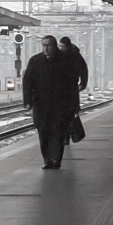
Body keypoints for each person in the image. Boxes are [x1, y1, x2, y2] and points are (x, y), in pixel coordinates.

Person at [22, 35, 78, 168]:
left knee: (58, 132)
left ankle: (56, 160)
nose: (46, 48)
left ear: (54, 46)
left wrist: (74, 105)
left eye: (49, 45)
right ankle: (47, 159)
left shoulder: (65, 61)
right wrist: (27, 101)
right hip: (41, 104)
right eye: (44, 45)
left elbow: (72, 84)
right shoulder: (35, 61)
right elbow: (27, 82)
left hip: (61, 105)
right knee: (43, 131)